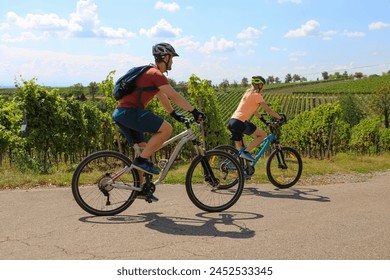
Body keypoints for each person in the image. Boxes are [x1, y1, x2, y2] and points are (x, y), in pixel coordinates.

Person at [112, 42, 206, 178]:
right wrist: (194, 111)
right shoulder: (155, 74)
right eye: (172, 58)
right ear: (165, 58)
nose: (172, 62)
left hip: (122, 114)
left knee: (144, 148)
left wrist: (173, 114)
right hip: (130, 112)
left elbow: (161, 96)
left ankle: (141, 188)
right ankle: (141, 161)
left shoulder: (149, 72)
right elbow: (174, 96)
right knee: (167, 129)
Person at [227, 75, 284, 161]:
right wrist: (280, 118)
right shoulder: (257, 95)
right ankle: (245, 153)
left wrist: (263, 120)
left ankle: (242, 169)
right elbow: (268, 109)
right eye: (262, 85)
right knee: (262, 135)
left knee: (242, 150)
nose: (263, 87)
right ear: (260, 86)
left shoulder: (247, 94)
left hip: (232, 122)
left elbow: (254, 111)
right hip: (240, 122)